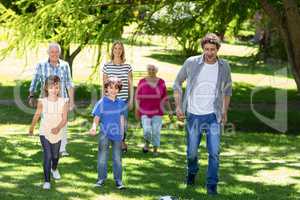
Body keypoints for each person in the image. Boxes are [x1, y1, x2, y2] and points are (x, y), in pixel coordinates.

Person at [173, 33, 232, 195]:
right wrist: (178, 106)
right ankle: (192, 172)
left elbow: (227, 91)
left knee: (214, 152)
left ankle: (212, 185)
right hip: (193, 115)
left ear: (218, 49)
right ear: (203, 49)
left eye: (213, 49)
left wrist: (225, 111)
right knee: (192, 151)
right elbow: (177, 82)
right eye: (206, 49)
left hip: (213, 115)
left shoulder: (224, 66)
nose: (210, 53)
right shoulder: (191, 63)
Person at [28, 42, 74, 156]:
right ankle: (48, 145)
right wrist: (31, 95)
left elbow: (69, 83)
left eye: (56, 52)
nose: (54, 54)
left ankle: (62, 148)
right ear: (48, 53)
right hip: (46, 99)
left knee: (63, 122)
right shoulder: (41, 65)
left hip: (62, 98)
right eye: (52, 52)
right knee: (47, 122)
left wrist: (71, 101)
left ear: (60, 53)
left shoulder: (65, 65)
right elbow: (35, 81)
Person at [29, 75, 69, 190]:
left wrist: (58, 128)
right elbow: (37, 115)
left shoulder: (64, 102)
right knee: (48, 155)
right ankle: (47, 181)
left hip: (58, 131)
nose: (54, 90)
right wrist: (31, 128)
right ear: (46, 88)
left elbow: (65, 119)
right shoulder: (42, 101)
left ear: (59, 88)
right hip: (45, 131)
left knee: (55, 156)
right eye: (51, 87)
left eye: (56, 87)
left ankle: (54, 168)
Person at [90, 77, 126, 190]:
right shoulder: (101, 102)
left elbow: (121, 119)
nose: (113, 90)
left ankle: (119, 181)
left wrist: (122, 135)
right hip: (104, 133)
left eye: (116, 88)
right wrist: (94, 127)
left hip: (117, 135)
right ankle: (101, 179)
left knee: (117, 158)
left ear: (119, 90)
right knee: (102, 157)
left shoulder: (121, 103)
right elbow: (96, 118)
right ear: (106, 88)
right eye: (111, 87)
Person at [102, 41, 133, 153]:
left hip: (123, 100)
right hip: (110, 100)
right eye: (115, 48)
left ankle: (122, 141)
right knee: (111, 122)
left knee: (123, 123)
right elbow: (104, 84)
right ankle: (114, 142)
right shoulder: (107, 66)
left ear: (122, 51)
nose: (117, 50)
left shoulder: (127, 67)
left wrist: (131, 100)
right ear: (112, 50)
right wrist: (103, 100)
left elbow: (130, 84)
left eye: (120, 48)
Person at [135, 64, 173, 156]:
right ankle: (147, 143)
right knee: (147, 130)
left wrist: (170, 111)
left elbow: (165, 98)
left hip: (157, 111)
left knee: (156, 131)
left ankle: (155, 149)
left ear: (156, 71)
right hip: (144, 110)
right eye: (149, 69)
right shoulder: (142, 81)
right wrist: (137, 109)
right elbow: (137, 97)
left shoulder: (161, 82)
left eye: (153, 69)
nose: (151, 71)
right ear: (147, 70)